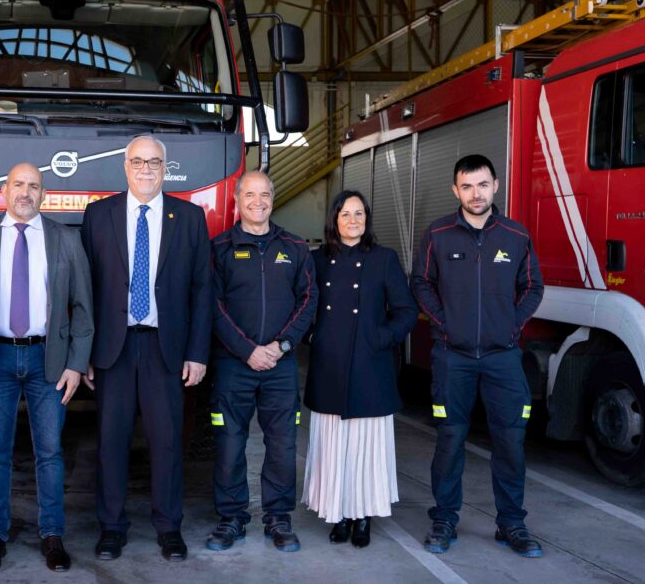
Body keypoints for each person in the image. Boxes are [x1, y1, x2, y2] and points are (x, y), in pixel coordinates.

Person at [0, 163, 94, 574]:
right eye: (18, 184)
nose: (26, 193)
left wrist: (75, 363)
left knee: (49, 452)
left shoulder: (65, 240)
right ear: (4, 190)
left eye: (34, 186)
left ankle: (52, 535)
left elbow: (84, 308)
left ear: (44, 194)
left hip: (47, 360)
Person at [81, 135, 212, 562]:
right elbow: (86, 291)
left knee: (167, 443)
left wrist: (197, 352)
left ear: (165, 168)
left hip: (165, 349)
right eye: (138, 162)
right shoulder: (98, 215)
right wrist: (83, 354)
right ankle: (112, 528)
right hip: (113, 350)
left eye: (154, 162)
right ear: (125, 166)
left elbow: (201, 289)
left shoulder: (189, 218)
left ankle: (169, 527)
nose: (146, 170)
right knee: (111, 443)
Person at [412, 154, 545, 557]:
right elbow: (420, 283)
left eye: (482, 184)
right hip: (452, 357)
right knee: (450, 440)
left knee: (510, 442)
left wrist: (511, 326)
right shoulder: (438, 233)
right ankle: (445, 520)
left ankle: (511, 524)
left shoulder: (516, 236)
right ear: (456, 190)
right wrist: (445, 324)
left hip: (503, 358)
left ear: (495, 186)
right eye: (467, 186)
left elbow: (532, 287)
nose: (475, 193)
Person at [207, 171, 317, 553]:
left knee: (283, 445)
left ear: (273, 197)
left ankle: (278, 518)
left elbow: (308, 301)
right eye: (250, 194)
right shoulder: (219, 248)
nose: (258, 201)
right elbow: (213, 306)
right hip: (233, 366)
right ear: (238, 200)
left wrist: (282, 345)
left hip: (281, 366)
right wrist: (247, 350)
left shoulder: (295, 247)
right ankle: (232, 517)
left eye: (265, 194)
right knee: (229, 444)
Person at [301, 190, 417, 548]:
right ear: (334, 219)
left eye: (359, 214)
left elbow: (407, 311)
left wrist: (381, 338)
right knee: (333, 446)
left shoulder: (384, 259)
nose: (353, 220)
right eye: (345, 214)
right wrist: (311, 336)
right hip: (330, 364)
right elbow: (302, 303)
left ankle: (362, 515)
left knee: (365, 448)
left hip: (370, 365)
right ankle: (336, 512)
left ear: (367, 220)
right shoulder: (316, 259)